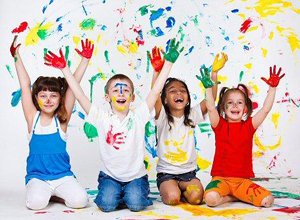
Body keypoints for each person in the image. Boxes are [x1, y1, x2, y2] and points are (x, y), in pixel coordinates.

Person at [44, 38, 184, 212]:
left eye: (125, 90)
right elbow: (79, 95)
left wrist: (168, 64)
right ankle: (120, 192)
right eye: (116, 90)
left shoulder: (139, 115)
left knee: (137, 205)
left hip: (136, 177)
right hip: (110, 177)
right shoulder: (101, 117)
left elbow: (155, 92)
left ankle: (130, 193)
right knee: (107, 205)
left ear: (132, 98)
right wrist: (64, 69)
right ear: (107, 97)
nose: (121, 93)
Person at [10, 36, 94, 210]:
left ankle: (57, 194)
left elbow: (73, 87)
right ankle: (45, 193)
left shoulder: (61, 119)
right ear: (36, 99)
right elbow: (25, 85)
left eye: (53, 96)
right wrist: (16, 56)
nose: (48, 100)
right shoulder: (32, 118)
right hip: (38, 177)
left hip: (63, 176)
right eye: (43, 96)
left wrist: (84, 60)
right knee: (36, 204)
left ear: (59, 99)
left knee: (81, 201)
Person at [149, 46, 228, 205]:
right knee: (172, 198)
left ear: (187, 97)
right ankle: (174, 190)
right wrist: (157, 72)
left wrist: (214, 74)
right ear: (165, 99)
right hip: (166, 174)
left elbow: (210, 99)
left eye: (182, 91)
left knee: (197, 198)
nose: (179, 93)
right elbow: (154, 94)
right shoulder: (162, 115)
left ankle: (183, 189)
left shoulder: (192, 115)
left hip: (189, 174)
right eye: (173, 91)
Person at [200, 65, 285, 207]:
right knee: (210, 199)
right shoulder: (219, 125)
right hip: (221, 180)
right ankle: (232, 197)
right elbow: (209, 107)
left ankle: (236, 195)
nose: (235, 106)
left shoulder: (249, 126)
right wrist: (208, 88)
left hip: (242, 182)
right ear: (223, 108)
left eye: (239, 103)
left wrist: (272, 89)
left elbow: (265, 110)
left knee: (268, 200)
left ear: (245, 108)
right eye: (230, 103)